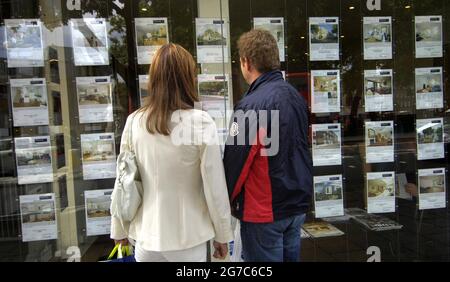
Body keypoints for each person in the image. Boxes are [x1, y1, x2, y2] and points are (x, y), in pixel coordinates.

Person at [110, 43, 233, 262]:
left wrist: (119, 230)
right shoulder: (201, 122)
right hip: (189, 237)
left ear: (154, 77)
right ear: (187, 77)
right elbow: (215, 187)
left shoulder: (134, 122)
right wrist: (223, 235)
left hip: (147, 237)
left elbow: (124, 181)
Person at [223, 29, 312, 262]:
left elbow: (236, 164)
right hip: (295, 206)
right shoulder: (296, 97)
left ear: (246, 62)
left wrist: (223, 204)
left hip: (265, 211)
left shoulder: (250, 105)